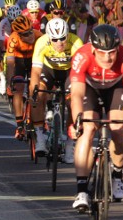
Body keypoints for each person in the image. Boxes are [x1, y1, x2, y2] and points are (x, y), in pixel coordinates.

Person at [69, 25, 123, 211]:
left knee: (118, 128)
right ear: (93, 49)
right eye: (102, 53)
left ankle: (117, 177)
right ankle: (82, 190)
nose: (108, 58)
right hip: (90, 89)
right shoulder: (81, 56)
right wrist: (77, 120)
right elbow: (76, 94)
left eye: (112, 52)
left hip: (116, 88)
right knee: (87, 130)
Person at [29, 18, 83, 160]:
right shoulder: (41, 42)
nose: (59, 43)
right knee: (37, 94)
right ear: (48, 37)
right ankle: (40, 138)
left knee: (74, 101)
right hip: (49, 71)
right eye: (55, 39)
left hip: (70, 72)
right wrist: (34, 92)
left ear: (68, 34)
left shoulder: (76, 42)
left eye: (63, 38)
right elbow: (35, 71)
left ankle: (70, 145)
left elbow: (81, 72)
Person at [5, 15, 40, 137]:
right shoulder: (13, 39)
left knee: (37, 88)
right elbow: (10, 64)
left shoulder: (38, 35)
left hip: (34, 61)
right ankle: (19, 125)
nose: (30, 35)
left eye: (30, 31)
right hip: (19, 61)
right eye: (25, 34)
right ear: (19, 35)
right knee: (18, 88)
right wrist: (10, 81)